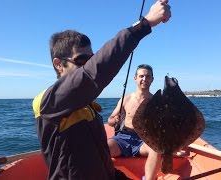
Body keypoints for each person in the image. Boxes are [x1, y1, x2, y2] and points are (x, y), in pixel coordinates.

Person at [32, 0, 171, 179]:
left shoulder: (86, 107)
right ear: (58, 64)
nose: (88, 66)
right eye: (82, 61)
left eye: (91, 59)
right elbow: (93, 72)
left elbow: (102, 165)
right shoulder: (50, 102)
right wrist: (145, 24)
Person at [107, 64, 161, 180]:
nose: (144, 79)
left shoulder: (157, 101)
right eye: (141, 76)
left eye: (148, 76)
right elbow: (110, 120)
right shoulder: (126, 99)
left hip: (145, 139)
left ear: (152, 79)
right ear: (135, 78)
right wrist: (114, 120)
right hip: (123, 138)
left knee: (156, 149)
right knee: (102, 149)